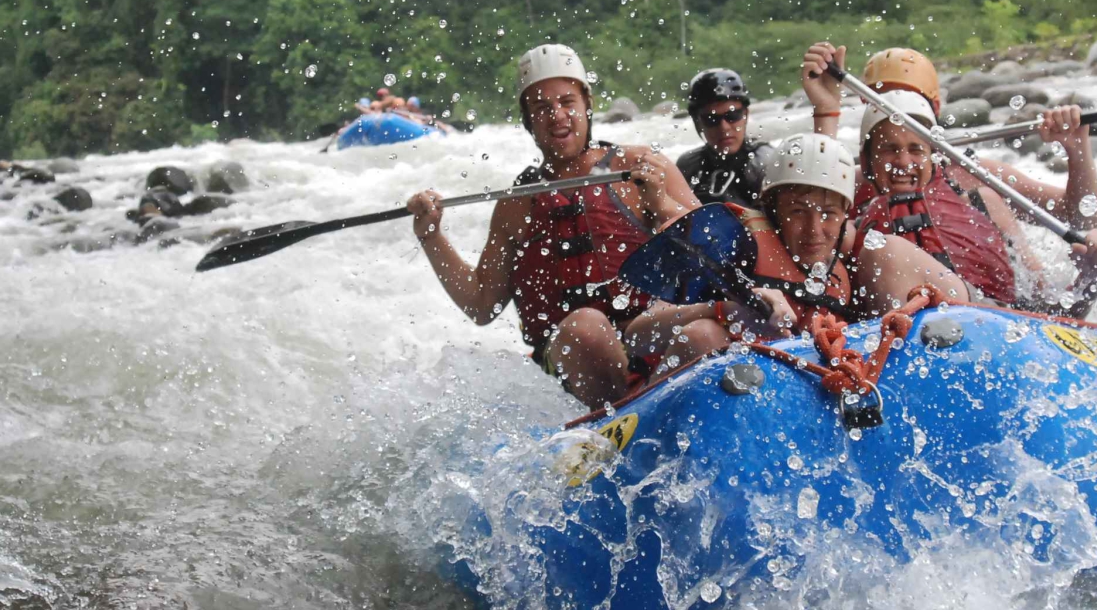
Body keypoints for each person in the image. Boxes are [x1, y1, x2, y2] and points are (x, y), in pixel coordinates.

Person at [407, 44, 701, 408]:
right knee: (586, 328)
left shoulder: (641, 165)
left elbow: (711, 251)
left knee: (706, 325)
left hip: (646, 337)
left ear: (586, 104)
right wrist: (431, 237)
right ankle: (623, 423)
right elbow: (482, 304)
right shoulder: (516, 204)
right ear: (528, 119)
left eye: (567, 102)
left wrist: (660, 202)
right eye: (542, 107)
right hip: (571, 358)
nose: (557, 116)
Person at [625, 133, 971, 375]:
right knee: (703, 334)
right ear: (773, 211)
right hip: (732, 391)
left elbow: (961, 303)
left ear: (845, 215)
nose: (814, 230)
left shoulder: (864, 254)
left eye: (828, 214)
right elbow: (637, 335)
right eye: (797, 212)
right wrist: (726, 308)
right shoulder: (735, 248)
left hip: (814, 387)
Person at [839, 84, 1097, 317]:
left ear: (932, 151)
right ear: (867, 159)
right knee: (883, 251)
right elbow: (805, 197)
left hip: (988, 318)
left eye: (916, 149)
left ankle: (1093, 278)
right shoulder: (848, 195)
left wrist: (1077, 149)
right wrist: (824, 110)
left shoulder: (978, 183)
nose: (903, 161)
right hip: (898, 326)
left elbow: (1081, 218)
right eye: (889, 150)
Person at [675, 69, 773, 207]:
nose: (724, 127)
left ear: (745, 115)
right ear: (698, 122)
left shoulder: (765, 162)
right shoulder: (688, 165)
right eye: (711, 119)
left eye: (732, 116)